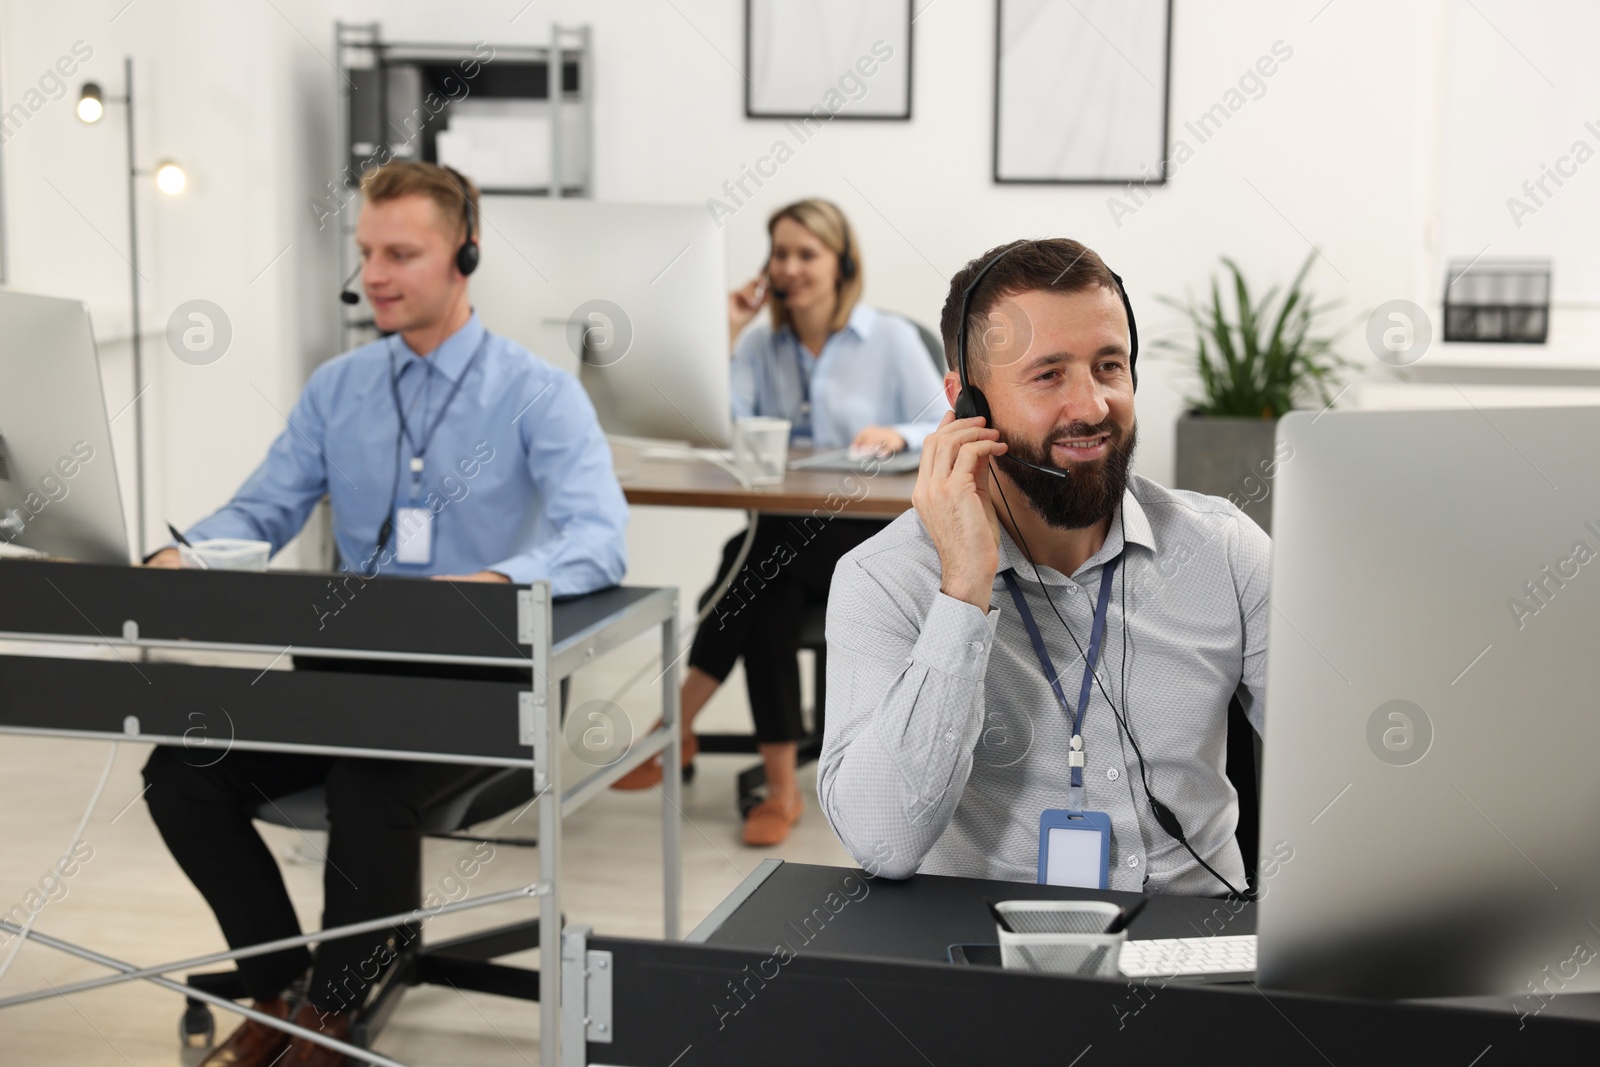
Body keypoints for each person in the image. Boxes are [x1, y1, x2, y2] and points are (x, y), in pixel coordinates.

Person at [141, 162, 627, 1067]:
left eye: (401, 253)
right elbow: (260, 513)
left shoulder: (538, 391)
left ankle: (330, 1024)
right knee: (181, 767)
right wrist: (188, 552)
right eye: (367, 252)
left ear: (465, 255)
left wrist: (494, 580)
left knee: (369, 782)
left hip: (484, 687)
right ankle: (278, 993)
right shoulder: (338, 387)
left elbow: (599, 538)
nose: (376, 274)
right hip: (345, 677)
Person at [818, 238, 1270, 895]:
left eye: (1109, 365)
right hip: (989, 962)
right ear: (967, 405)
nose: (1090, 406)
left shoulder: (1225, 550)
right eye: (1048, 374)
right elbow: (884, 842)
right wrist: (963, 589)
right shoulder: (883, 578)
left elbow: (1347, 759)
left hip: (1195, 954)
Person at [613, 198, 947, 848]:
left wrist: (897, 433)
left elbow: (944, 421)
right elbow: (715, 426)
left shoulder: (889, 339)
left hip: (874, 539)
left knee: (756, 552)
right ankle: (781, 788)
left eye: (806, 254)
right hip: (789, 539)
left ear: (841, 263)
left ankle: (674, 725)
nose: (789, 267)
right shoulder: (765, 344)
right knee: (765, 593)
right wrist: (730, 330)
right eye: (780, 254)